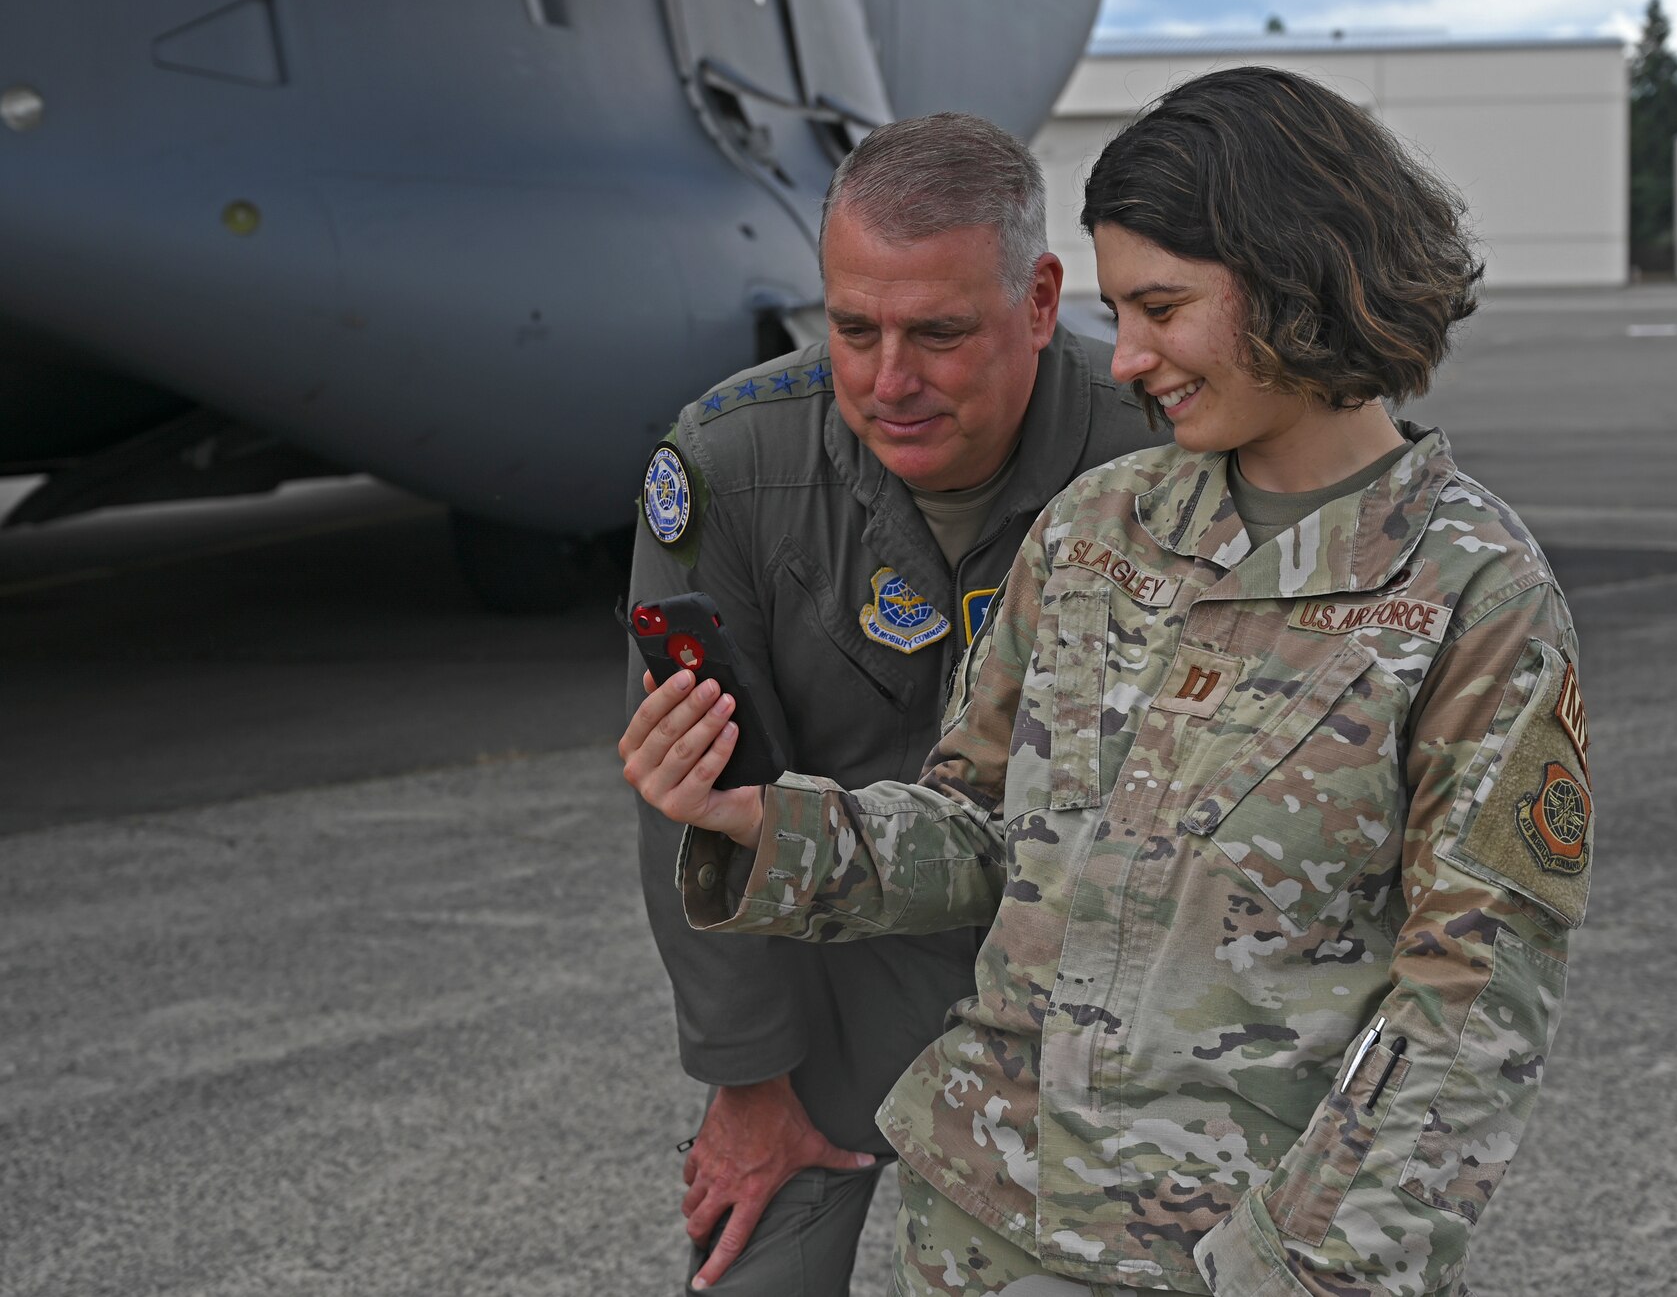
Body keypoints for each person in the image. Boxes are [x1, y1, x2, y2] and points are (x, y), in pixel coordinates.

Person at [622, 66, 1595, 1296]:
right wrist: (761, 826)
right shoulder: (1100, 525)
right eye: (1118, 310)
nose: (1123, 357)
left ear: (1298, 285)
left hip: (1223, 1257)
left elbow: (1468, 1003)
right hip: (979, 1223)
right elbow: (980, 830)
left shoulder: (1469, 595)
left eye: (1161, 308)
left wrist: (1293, 1268)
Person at [625, 111, 1156, 1296]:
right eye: (851, 327)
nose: (884, 381)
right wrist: (748, 1081)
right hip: (828, 991)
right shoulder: (733, 463)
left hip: (1074, 1006)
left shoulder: (1156, 467)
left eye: (938, 333)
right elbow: (692, 802)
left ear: (1037, 300)